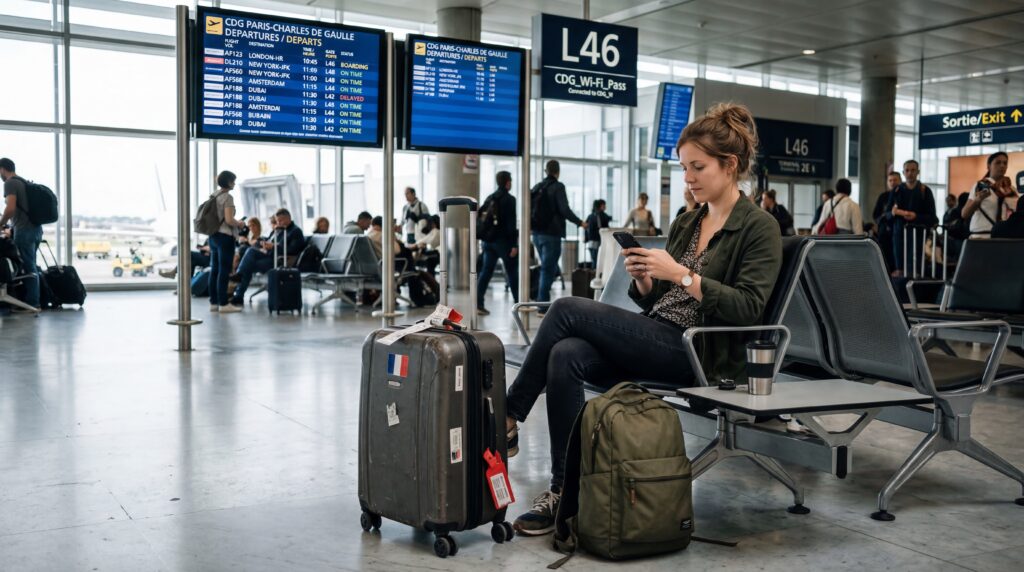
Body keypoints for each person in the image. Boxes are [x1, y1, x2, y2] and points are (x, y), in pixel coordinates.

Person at [505, 103, 782, 536]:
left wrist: (681, 274)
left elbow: (747, 308)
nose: (687, 178)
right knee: (566, 353)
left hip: (698, 354)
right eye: (683, 167)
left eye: (697, 167)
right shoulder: (689, 221)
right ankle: (565, 493)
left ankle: (507, 418)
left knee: (563, 309)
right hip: (660, 338)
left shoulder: (758, 227)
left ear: (729, 166)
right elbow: (660, 305)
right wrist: (648, 282)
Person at [530, 160, 587, 307]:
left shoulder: (537, 187)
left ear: (546, 171)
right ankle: (542, 305)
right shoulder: (558, 187)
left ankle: (539, 297)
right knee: (547, 269)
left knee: (547, 267)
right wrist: (580, 222)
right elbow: (564, 210)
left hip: (536, 234)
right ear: (557, 171)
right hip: (552, 234)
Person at [228, 208, 304, 308]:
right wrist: (264, 244)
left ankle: (238, 293)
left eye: (281, 220)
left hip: (279, 261)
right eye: (277, 221)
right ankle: (238, 288)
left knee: (248, 265)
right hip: (269, 255)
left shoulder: (295, 232)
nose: (279, 223)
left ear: (288, 218)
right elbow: (268, 240)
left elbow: (293, 250)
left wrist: (274, 246)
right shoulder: (278, 230)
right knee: (249, 251)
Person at [0, 158, 43, 312]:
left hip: (24, 231)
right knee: (31, 265)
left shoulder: (10, 183)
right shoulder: (24, 182)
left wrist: (1, 223)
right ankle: (32, 300)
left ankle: (33, 303)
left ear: (3, 169)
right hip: (36, 229)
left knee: (26, 267)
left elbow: (10, 209)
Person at [476, 171, 519, 315]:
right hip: (503, 242)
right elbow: (511, 224)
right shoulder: (510, 199)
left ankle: (478, 304)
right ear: (507, 182)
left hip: (488, 241)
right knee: (512, 272)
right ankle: (519, 303)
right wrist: (514, 244)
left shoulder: (490, 198)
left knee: (486, 272)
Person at [206, 171, 247, 313]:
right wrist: (240, 223)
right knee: (224, 271)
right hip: (225, 237)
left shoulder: (213, 195)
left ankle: (214, 303)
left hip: (213, 236)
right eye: (233, 181)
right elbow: (229, 220)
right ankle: (223, 304)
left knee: (214, 269)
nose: (234, 183)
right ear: (229, 182)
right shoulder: (227, 198)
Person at [888, 159, 937, 277]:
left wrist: (916, 217)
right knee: (900, 271)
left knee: (915, 271)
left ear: (918, 172)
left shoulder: (924, 191)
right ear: (903, 172)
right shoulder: (896, 190)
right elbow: (886, 214)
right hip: (899, 235)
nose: (910, 173)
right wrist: (894, 213)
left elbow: (933, 218)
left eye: (913, 170)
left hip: (917, 236)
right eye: (907, 170)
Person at [961, 151, 1019, 239]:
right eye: (998, 162)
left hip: (1004, 237)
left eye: (1005, 163)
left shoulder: (1012, 190)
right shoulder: (980, 186)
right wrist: (978, 200)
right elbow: (964, 214)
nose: (1002, 165)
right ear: (988, 166)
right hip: (981, 236)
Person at [873, 172, 902, 272]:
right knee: (885, 259)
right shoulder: (883, 197)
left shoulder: (903, 195)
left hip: (899, 233)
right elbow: (876, 215)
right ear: (887, 182)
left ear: (900, 181)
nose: (892, 182)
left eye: (895, 180)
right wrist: (884, 218)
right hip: (884, 233)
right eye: (890, 180)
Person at [584, 199, 611, 266]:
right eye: (604, 205)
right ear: (600, 206)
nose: (605, 206)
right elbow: (605, 228)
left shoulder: (590, 216)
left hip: (591, 242)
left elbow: (586, 227)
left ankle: (594, 274)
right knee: (598, 261)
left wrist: (586, 238)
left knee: (594, 260)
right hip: (598, 241)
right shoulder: (602, 216)